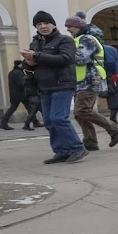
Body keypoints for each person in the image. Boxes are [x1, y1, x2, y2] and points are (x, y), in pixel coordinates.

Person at [21, 11, 87, 164]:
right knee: (49, 121)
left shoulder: (64, 40)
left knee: (58, 118)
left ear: (53, 24)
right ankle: (62, 151)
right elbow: (31, 64)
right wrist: (28, 62)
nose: (43, 26)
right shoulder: (35, 43)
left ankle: (77, 148)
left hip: (63, 84)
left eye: (46, 23)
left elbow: (65, 59)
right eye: (39, 24)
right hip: (44, 86)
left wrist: (36, 57)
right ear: (36, 27)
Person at [64, 15, 118, 151]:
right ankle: (90, 142)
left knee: (82, 110)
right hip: (82, 81)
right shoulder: (78, 39)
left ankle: (114, 129)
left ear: (78, 26)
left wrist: (63, 53)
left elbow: (81, 59)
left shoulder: (88, 39)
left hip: (91, 80)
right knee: (80, 113)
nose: (68, 29)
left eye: (70, 26)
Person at [0, 60, 30, 130]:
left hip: (14, 93)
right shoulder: (19, 73)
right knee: (29, 108)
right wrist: (27, 82)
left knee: (29, 107)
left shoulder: (12, 72)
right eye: (22, 64)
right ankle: (3, 123)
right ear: (19, 65)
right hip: (21, 94)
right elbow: (21, 84)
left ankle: (3, 123)